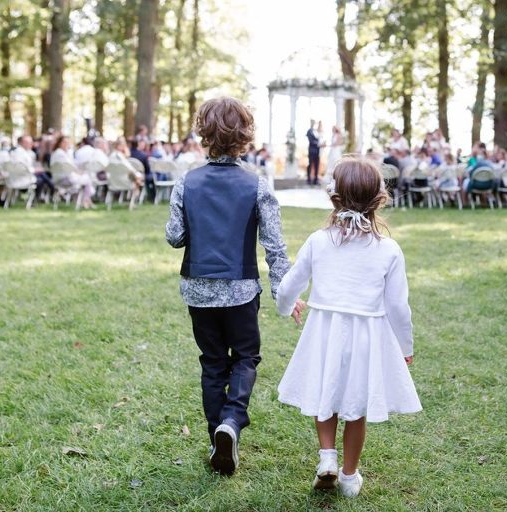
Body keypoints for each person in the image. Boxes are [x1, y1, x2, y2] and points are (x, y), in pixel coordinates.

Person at [275, 156, 421, 497]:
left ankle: (327, 455)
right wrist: (405, 346)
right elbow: (398, 306)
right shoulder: (388, 249)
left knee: (325, 392)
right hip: (366, 337)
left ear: (334, 197)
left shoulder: (319, 240)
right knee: (356, 407)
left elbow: (291, 283)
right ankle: (350, 476)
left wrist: (286, 306)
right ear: (379, 199)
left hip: (324, 332)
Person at [165, 96, 291, 475]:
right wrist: (283, 292)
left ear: (203, 132)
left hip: (198, 288)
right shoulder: (257, 185)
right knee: (246, 357)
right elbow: (275, 246)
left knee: (213, 363)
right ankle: (232, 421)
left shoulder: (186, 182)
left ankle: (216, 437)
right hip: (240, 288)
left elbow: (174, 236)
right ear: (245, 135)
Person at [51, 135, 95, 209]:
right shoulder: (60, 154)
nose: (66, 144)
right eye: (64, 142)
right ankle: (85, 201)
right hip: (64, 179)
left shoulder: (58, 153)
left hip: (59, 179)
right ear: (59, 143)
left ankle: (85, 201)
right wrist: (79, 172)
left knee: (85, 179)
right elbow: (69, 167)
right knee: (87, 178)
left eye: (67, 142)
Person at [11, 135, 54, 200]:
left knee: (42, 174)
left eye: (31, 142)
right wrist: (35, 170)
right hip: (21, 178)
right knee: (41, 178)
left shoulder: (24, 152)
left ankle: (50, 189)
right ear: (22, 143)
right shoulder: (19, 153)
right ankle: (50, 190)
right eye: (29, 142)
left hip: (23, 176)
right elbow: (21, 168)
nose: (31, 144)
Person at [306, 120, 320, 185]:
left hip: (317, 151)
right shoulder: (309, 131)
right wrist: (318, 143)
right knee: (310, 164)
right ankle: (308, 179)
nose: (313, 124)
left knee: (317, 165)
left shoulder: (316, 131)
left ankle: (315, 179)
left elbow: (318, 139)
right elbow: (311, 140)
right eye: (312, 123)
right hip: (311, 151)